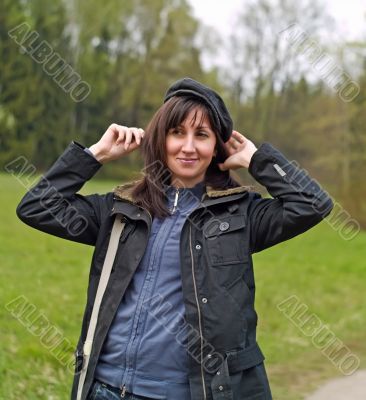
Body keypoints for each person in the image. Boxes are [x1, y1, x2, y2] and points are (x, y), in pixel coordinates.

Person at [16, 77, 334, 400]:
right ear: (161, 138)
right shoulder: (120, 209)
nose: (188, 147)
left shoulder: (241, 215)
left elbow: (312, 203)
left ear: (217, 147)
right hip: (104, 389)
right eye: (177, 132)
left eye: (202, 135)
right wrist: (95, 155)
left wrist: (257, 160)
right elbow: (35, 208)